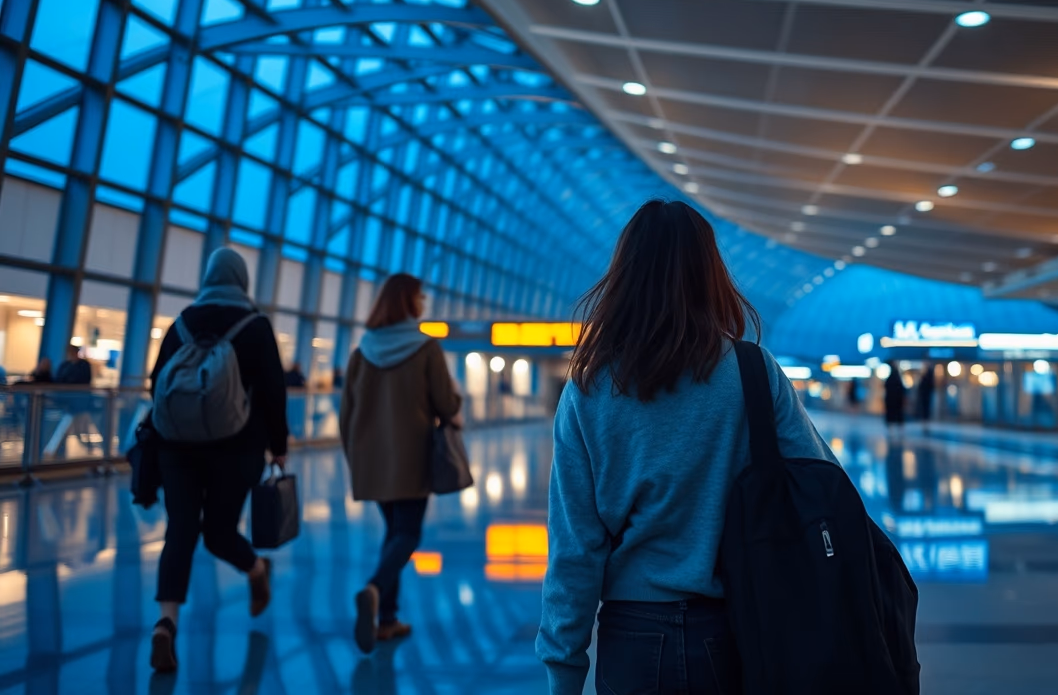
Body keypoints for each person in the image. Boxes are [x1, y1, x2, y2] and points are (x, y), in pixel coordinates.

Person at [536, 200, 838, 695]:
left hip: (630, 638)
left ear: (624, 277)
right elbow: (822, 482)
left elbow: (575, 549)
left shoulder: (589, 388)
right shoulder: (752, 371)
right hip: (737, 628)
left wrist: (563, 669)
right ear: (710, 274)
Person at [147, 248, 289, 673]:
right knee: (219, 532)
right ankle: (256, 567)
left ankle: (166, 622)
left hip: (177, 448)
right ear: (241, 281)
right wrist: (278, 444)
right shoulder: (256, 326)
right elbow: (274, 391)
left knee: (181, 530)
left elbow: (157, 384)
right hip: (238, 447)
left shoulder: (183, 322)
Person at [340, 273, 462, 653]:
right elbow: (446, 404)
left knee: (393, 532)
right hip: (412, 456)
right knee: (408, 534)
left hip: (371, 457)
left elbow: (347, 412)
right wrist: (454, 404)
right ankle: (374, 589)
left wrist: (356, 455)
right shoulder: (425, 348)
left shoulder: (362, 352)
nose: (424, 303)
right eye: (420, 297)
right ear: (409, 302)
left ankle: (387, 619)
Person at [884, 363, 907, 439]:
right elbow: (902, 390)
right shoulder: (898, 379)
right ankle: (899, 430)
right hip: (897, 401)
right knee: (898, 415)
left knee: (891, 415)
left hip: (891, 400)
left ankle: (891, 429)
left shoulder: (889, 379)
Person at [916, 367, 935, 433]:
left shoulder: (926, 378)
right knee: (926, 410)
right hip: (926, 397)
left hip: (925, 397)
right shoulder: (929, 378)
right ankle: (925, 422)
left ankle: (925, 422)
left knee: (925, 410)